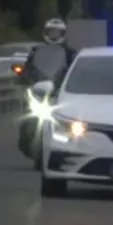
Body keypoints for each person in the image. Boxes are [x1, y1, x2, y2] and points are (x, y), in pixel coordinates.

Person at [17, 18, 77, 163]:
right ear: (45, 33)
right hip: (40, 91)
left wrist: (68, 82)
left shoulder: (70, 53)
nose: (54, 35)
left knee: (70, 121)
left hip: (59, 92)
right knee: (26, 117)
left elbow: (74, 71)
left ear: (63, 34)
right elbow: (28, 68)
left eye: (57, 32)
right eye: (51, 32)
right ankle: (28, 140)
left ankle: (71, 149)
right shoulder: (36, 50)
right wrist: (25, 76)